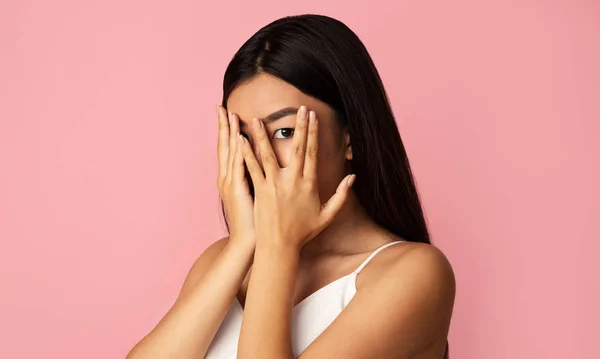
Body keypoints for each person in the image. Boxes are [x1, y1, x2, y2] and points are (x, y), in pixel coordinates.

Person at [127, 14, 455, 359]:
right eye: (243, 136)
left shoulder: (414, 274)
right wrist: (244, 244)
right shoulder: (222, 260)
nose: (261, 156)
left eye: (284, 131)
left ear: (350, 137)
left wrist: (276, 247)